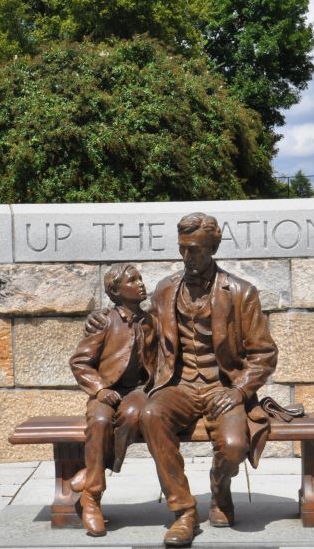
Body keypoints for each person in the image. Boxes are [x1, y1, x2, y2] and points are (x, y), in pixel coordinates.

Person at [126, 213, 278, 547]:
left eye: (194, 250)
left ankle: (220, 487)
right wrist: (110, 326)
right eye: (182, 249)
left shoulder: (241, 292)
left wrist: (239, 390)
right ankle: (184, 512)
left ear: (212, 247)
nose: (187, 257)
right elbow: (145, 337)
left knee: (236, 445)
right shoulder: (166, 289)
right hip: (177, 385)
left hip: (222, 385)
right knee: (151, 415)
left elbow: (264, 354)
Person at [69, 262, 152, 536]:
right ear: (116, 291)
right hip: (105, 390)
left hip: (137, 391)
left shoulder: (152, 321)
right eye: (133, 280)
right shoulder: (104, 320)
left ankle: (93, 480)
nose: (140, 284)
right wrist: (99, 389)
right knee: (101, 419)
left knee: (132, 415)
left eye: (140, 279)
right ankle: (93, 498)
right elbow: (80, 362)